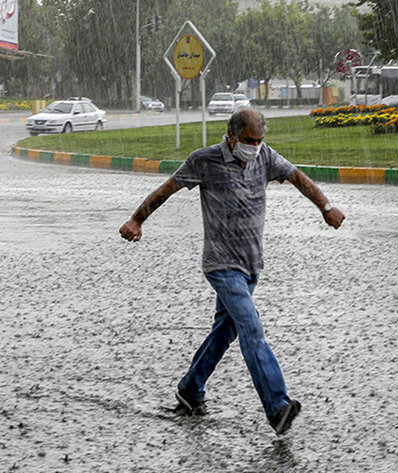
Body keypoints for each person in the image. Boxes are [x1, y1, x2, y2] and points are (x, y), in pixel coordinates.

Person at [119, 109, 345, 436]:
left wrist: (325, 208)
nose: (255, 147)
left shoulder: (265, 157)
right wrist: (137, 219)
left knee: (226, 331)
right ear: (232, 136)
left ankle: (190, 388)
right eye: (249, 141)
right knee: (252, 330)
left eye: (259, 140)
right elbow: (166, 189)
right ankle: (277, 407)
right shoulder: (205, 160)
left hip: (251, 264)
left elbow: (297, 177)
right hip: (221, 265)